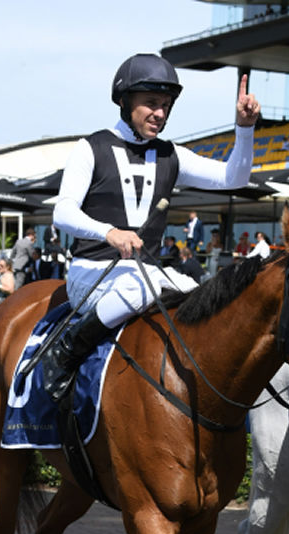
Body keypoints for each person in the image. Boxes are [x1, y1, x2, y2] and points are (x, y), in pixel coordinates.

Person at [42, 52, 260, 402]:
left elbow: (234, 177)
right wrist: (109, 232)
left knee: (197, 292)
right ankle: (67, 349)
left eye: (166, 105)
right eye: (151, 103)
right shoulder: (90, 148)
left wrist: (244, 129)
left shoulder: (171, 154)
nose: (160, 113)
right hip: (90, 273)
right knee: (138, 290)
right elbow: (63, 213)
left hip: (145, 276)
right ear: (126, 102)